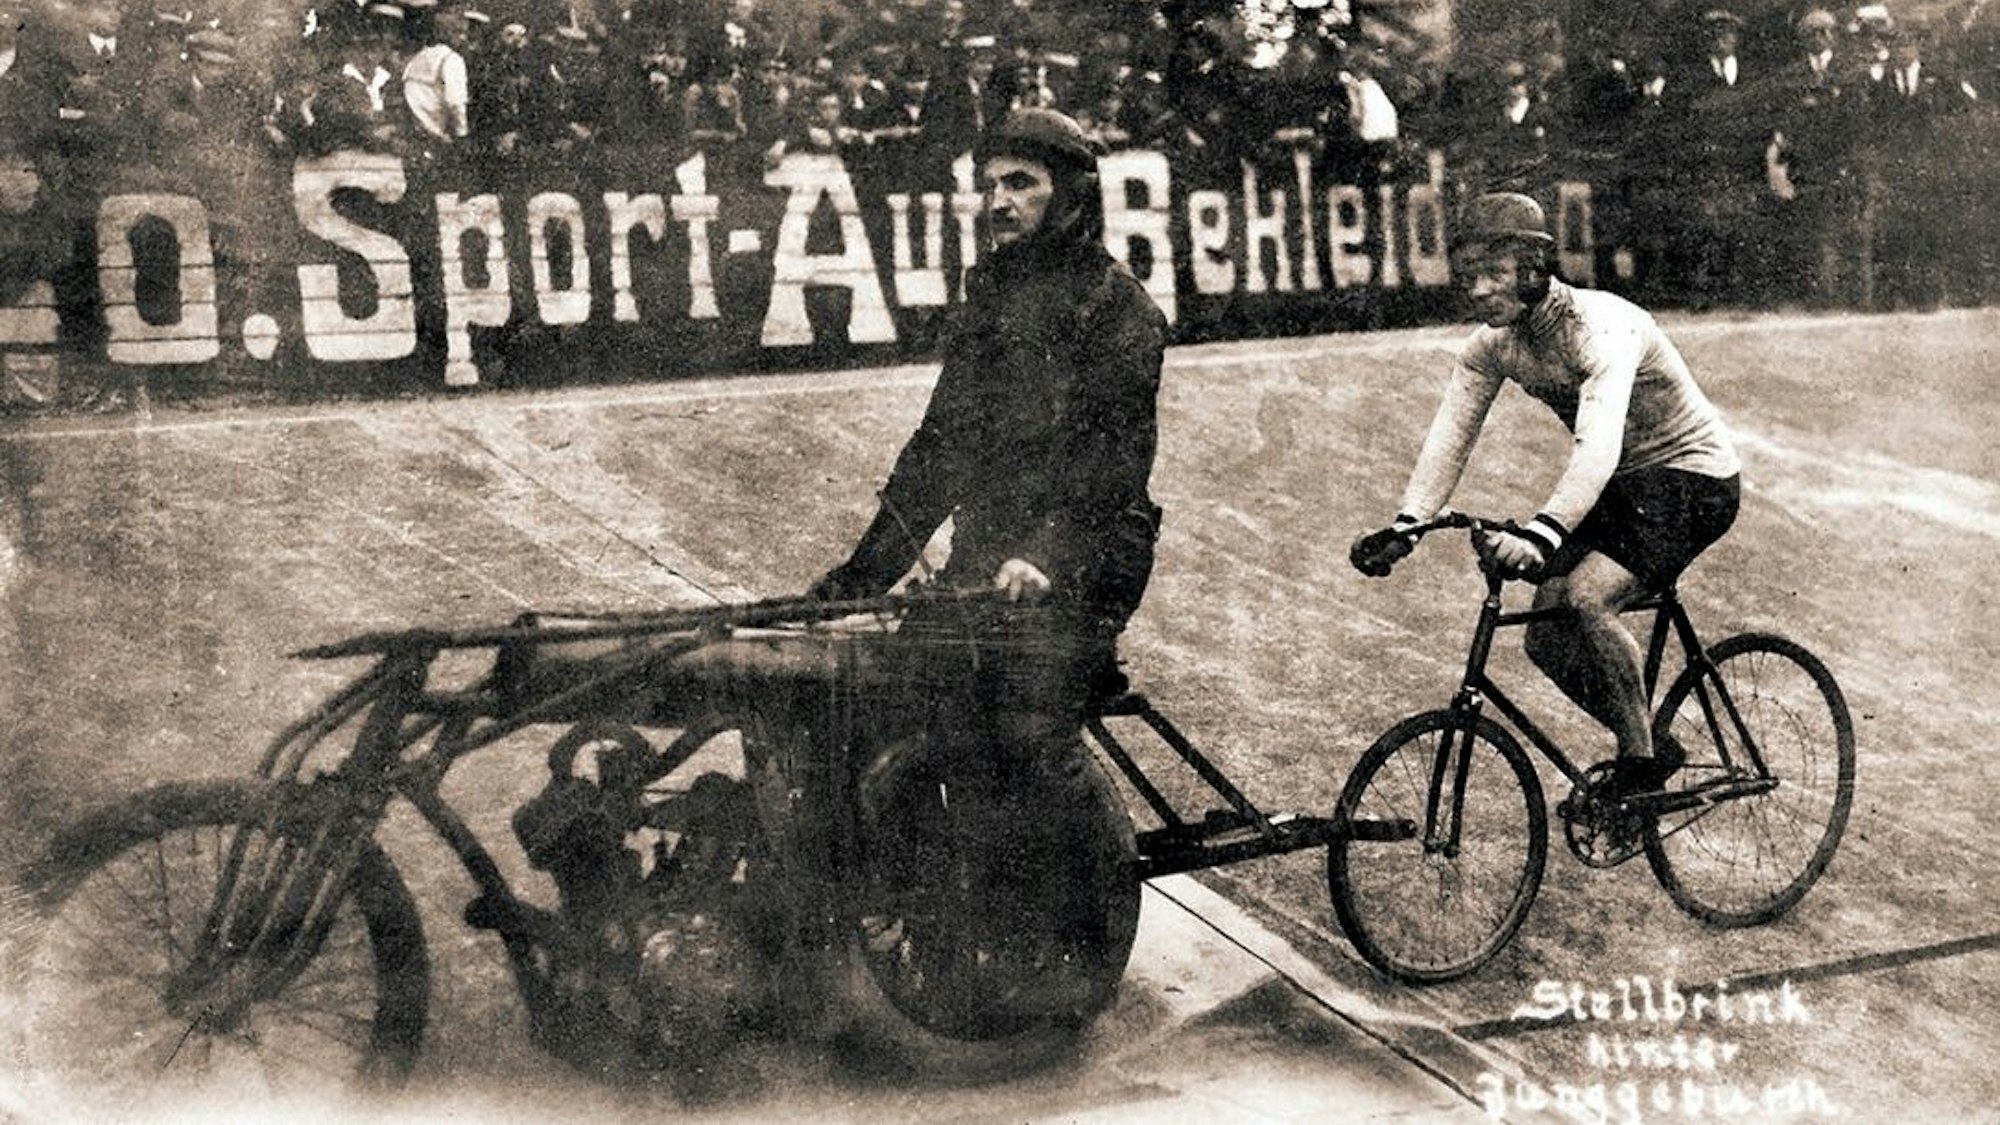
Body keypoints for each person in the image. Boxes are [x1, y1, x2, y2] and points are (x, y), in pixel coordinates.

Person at [1351, 192, 1741, 801]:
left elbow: (1596, 450)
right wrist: (1407, 526)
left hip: (1693, 477)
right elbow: (1450, 437)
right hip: (1627, 486)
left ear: (1533, 270)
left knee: (1586, 597)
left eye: (1493, 274)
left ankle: (1637, 765)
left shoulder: (1599, 327)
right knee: (1545, 635)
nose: (1477, 290)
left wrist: (1540, 533)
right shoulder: (1492, 346)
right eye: (1470, 275)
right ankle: (1652, 746)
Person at [809, 104, 1166, 718]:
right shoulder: (994, 300)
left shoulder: (1119, 308)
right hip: (990, 553)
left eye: (1021, 183)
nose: (998, 202)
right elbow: (939, 448)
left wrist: (1044, 558)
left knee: (1021, 732)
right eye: (990, 185)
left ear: (1072, 197)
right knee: (891, 697)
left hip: (1088, 559)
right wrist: (858, 580)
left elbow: (1115, 463)